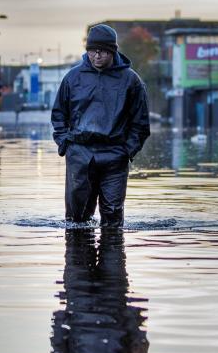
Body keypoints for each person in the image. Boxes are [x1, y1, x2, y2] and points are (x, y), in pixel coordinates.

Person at [51, 23, 150, 229]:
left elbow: (140, 122)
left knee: (113, 218)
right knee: (76, 219)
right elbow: (59, 114)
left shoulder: (131, 81)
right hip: (79, 154)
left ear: (113, 51)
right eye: (92, 51)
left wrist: (127, 150)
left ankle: (112, 255)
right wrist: (65, 144)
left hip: (115, 155)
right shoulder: (72, 78)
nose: (97, 56)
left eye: (103, 51)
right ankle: (78, 258)